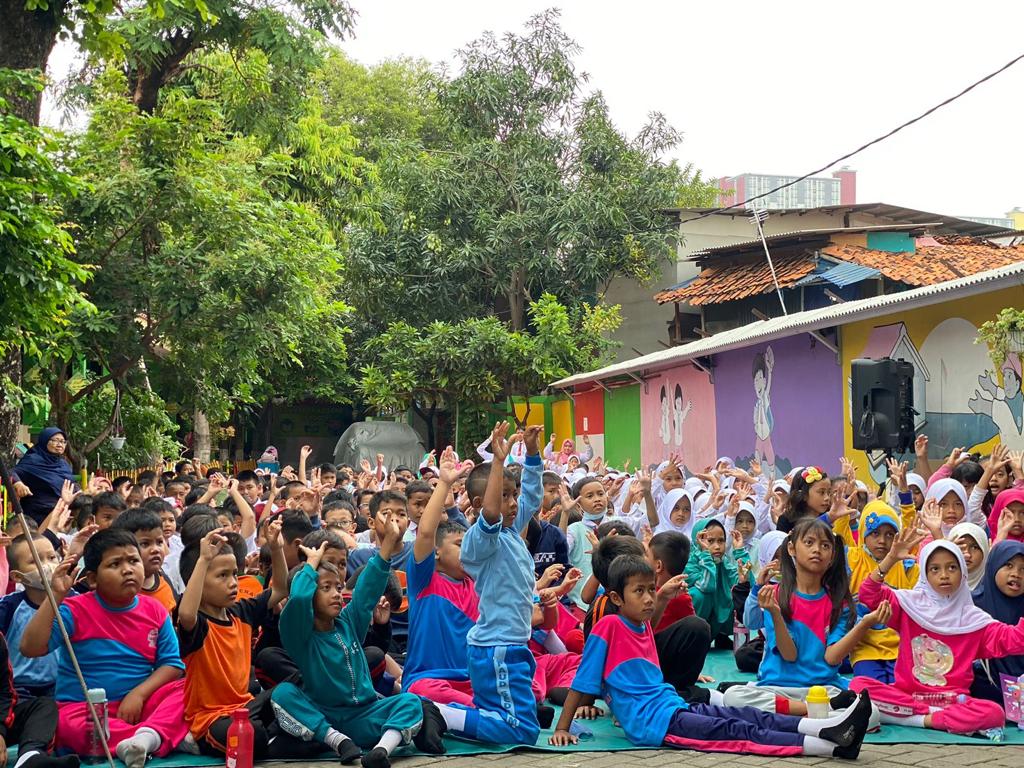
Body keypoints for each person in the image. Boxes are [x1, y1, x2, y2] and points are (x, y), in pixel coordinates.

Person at [548, 555, 872, 758]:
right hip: (655, 725)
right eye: (640, 592)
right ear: (617, 597)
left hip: (672, 706)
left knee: (745, 715)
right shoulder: (608, 627)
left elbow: (652, 624)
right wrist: (562, 728)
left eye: (651, 588)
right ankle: (830, 746)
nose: (648, 598)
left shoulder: (640, 624)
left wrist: (660, 598)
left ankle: (827, 726)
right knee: (737, 733)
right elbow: (583, 681)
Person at [269, 519, 443, 768]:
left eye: (338, 587)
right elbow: (297, 599)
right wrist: (311, 565)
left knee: (411, 702)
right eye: (326, 588)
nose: (337, 594)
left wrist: (387, 545)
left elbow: (366, 592)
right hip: (323, 715)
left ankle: (381, 751)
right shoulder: (299, 634)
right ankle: (339, 742)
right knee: (283, 694)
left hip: (364, 715)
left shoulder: (348, 622)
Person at [20, 529, 188, 768]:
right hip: (83, 708)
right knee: (68, 726)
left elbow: (172, 665)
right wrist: (56, 594)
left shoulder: (155, 610)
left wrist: (138, 695)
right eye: (115, 564)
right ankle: (156, 736)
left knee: (188, 689)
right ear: (92, 579)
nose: (128, 569)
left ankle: (146, 737)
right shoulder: (74, 609)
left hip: (139, 703)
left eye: (133, 560)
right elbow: (30, 648)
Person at [435, 422, 548, 745]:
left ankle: (449, 714)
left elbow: (533, 496)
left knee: (504, 713)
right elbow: (490, 515)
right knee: (523, 730)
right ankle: (442, 714)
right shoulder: (481, 540)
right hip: (498, 647)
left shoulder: (511, 531)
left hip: (508, 645)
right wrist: (497, 462)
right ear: (477, 502)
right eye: (504, 496)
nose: (513, 503)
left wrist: (532, 452)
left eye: (513, 496)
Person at [851, 535, 1024, 735]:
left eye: (952, 568)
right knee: (859, 685)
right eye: (935, 569)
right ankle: (930, 718)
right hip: (907, 694)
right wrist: (890, 559)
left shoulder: (975, 621)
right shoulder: (909, 605)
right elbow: (869, 595)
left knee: (994, 713)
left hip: (951, 701)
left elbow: (1017, 639)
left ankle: (914, 719)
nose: (944, 575)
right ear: (925, 574)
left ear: (963, 572)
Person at [723, 518, 885, 716]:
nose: (817, 550)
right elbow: (789, 655)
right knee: (733, 696)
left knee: (872, 713)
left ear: (833, 555)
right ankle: (813, 714)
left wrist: (865, 624)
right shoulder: (776, 596)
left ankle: (798, 718)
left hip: (823, 690)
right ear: (791, 549)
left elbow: (832, 658)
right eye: (809, 543)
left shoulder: (838, 602)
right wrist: (774, 613)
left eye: (825, 546)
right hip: (777, 688)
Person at [176, 520, 291, 757]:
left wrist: (277, 548)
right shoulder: (197, 623)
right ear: (197, 581)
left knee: (298, 684)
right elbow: (186, 613)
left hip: (248, 707)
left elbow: (280, 589)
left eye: (234, 574)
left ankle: (275, 737)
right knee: (252, 736)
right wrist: (203, 560)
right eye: (222, 576)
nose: (232, 583)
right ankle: (273, 738)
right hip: (212, 719)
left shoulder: (242, 612)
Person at [838, 501, 917, 683]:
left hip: (901, 647)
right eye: (875, 533)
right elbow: (830, 540)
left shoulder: (907, 566)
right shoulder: (852, 558)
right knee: (869, 689)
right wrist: (838, 518)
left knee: (902, 689)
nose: (882, 541)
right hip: (863, 646)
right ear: (864, 533)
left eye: (890, 535)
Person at [971, 540, 1024, 703]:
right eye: (1008, 565)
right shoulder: (972, 605)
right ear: (994, 565)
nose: (1016, 574)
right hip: (981, 691)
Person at [685, 518, 745, 641]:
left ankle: (720, 634)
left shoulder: (723, 562)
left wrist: (740, 552)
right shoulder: (691, 563)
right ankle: (694, 638)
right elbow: (707, 586)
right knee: (701, 596)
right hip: (689, 627)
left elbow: (745, 583)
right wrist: (706, 554)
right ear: (699, 542)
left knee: (737, 596)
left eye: (721, 541)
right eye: (710, 541)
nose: (717, 546)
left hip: (713, 624)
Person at [112, 509, 177, 615]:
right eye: (145, 544)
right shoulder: (116, 587)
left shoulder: (164, 581)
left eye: (159, 542)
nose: (156, 549)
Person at [12, 428, 77, 525]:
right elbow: (11, 472)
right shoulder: (33, 459)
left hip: (61, 511)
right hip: (38, 514)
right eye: (55, 440)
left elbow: (71, 485)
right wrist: (18, 483)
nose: (60, 445)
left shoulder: (64, 464)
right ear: (44, 441)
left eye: (63, 442)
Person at [948, 522, 989, 591]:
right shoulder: (937, 588)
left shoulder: (994, 586)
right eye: (960, 547)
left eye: (974, 547)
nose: (967, 555)